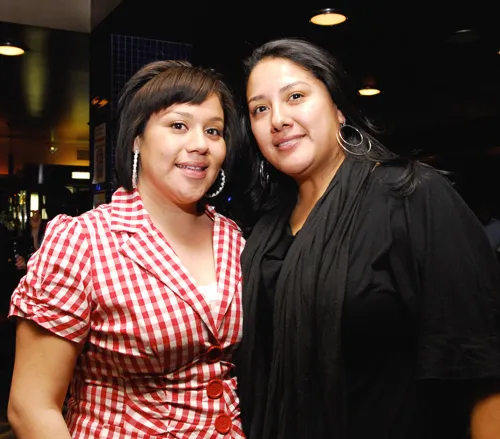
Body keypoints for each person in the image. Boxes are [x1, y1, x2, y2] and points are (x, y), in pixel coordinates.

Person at [233, 38, 500, 439]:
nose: (278, 119)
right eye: (260, 109)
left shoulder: (410, 195)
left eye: (296, 96)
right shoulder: (264, 228)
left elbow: (483, 365)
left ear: (338, 108)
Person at [8, 60, 246, 438]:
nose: (200, 144)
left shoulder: (234, 239)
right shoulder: (83, 242)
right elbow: (31, 407)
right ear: (138, 138)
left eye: (213, 131)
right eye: (178, 125)